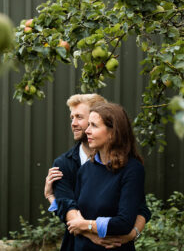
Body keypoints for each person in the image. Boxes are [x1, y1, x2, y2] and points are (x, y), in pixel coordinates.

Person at [44, 94, 150, 250]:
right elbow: (69, 209)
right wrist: (90, 233)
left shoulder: (131, 169)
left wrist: (132, 233)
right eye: (71, 118)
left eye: (80, 117)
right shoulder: (66, 165)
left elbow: (139, 210)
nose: (74, 124)